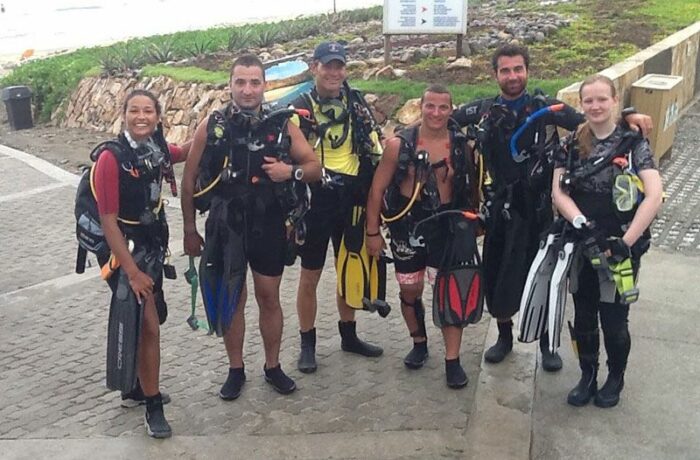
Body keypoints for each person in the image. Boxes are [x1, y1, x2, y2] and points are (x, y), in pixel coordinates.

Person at [452, 44, 652, 371]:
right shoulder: (485, 111)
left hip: (539, 211)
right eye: (506, 70)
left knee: (545, 278)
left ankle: (547, 344)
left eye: (518, 69)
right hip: (500, 210)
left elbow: (593, 120)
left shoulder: (546, 109)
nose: (513, 76)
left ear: (527, 71)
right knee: (497, 277)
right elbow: (444, 117)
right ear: (496, 74)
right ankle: (504, 337)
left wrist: (628, 112)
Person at [181, 54, 320, 399]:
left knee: (268, 296)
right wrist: (188, 230)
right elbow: (187, 182)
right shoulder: (211, 125)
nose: (247, 90)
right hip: (225, 224)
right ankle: (235, 369)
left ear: (264, 85)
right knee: (233, 297)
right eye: (240, 82)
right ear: (230, 85)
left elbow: (315, 167)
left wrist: (291, 172)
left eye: (254, 82)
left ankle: (272, 366)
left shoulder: (282, 124)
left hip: (268, 221)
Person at [551, 74, 662, 408]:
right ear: (581, 105)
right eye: (589, 101)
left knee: (614, 321)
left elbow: (654, 195)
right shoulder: (570, 144)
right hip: (582, 242)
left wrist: (625, 242)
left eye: (602, 99)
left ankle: (615, 378)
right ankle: (587, 375)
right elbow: (558, 192)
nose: (596, 106)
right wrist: (581, 224)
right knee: (583, 316)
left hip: (620, 245)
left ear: (615, 101)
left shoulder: (633, 143)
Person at [366, 84, 481, 387]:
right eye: (430, 106)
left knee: (450, 290)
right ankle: (419, 343)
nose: (436, 113)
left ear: (451, 110)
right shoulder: (398, 145)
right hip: (408, 224)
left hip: (447, 225)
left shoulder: (461, 146)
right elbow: (377, 189)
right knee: (410, 290)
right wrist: (372, 232)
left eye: (443, 107)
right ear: (421, 106)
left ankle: (452, 360)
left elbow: (474, 187)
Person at [93, 89, 188, 438]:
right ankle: (153, 406)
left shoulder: (157, 150)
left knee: (145, 318)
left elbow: (185, 151)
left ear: (159, 116)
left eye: (148, 110)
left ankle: (134, 388)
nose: (141, 116)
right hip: (122, 252)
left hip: (151, 247)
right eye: (134, 110)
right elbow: (108, 221)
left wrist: (215, 123)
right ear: (124, 114)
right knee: (149, 325)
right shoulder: (111, 159)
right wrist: (131, 272)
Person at [290, 41, 384, 373]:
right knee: (310, 274)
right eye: (327, 65)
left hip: (352, 196)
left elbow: (374, 146)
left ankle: (349, 335)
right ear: (314, 67)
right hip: (318, 198)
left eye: (339, 66)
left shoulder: (356, 102)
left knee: (351, 265)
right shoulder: (299, 107)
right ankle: (307, 343)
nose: (334, 72)